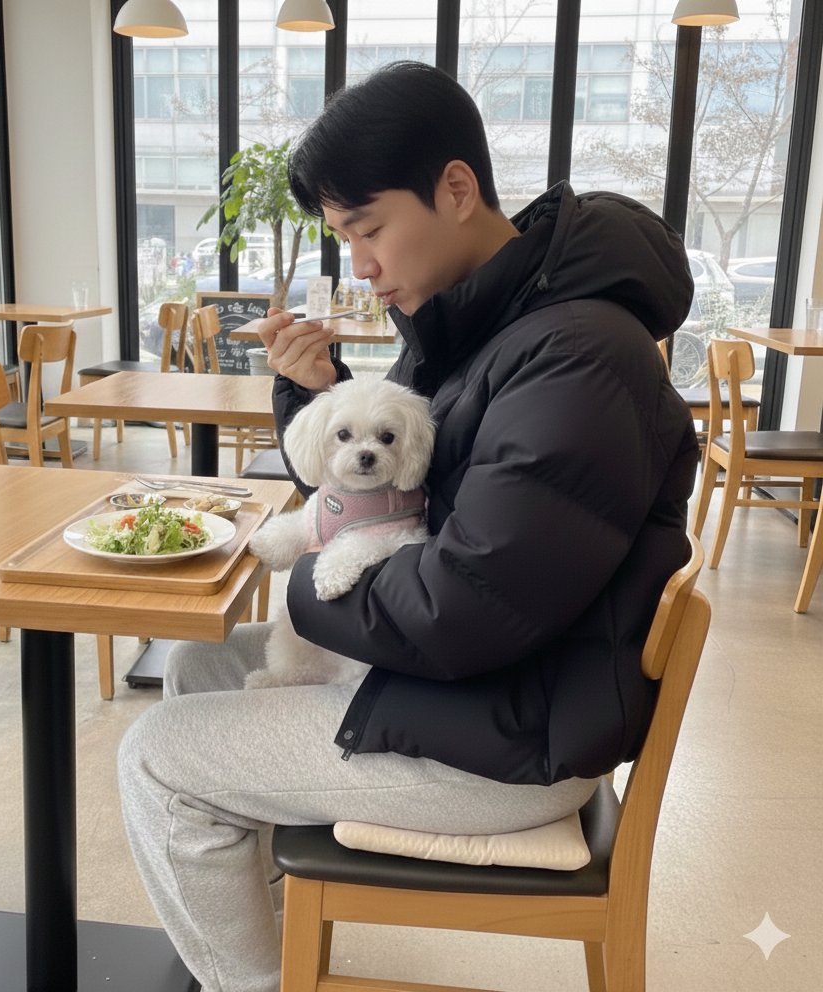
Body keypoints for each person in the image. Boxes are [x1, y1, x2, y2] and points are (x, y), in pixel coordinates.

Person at [118, 61, 699, 992]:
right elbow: (389, 489)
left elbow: (457, 610)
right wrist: (313, 395)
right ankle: (270, 933)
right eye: (345, 237)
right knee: (198, 663)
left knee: (154, 757)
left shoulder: (579, 358)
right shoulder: (486, 328)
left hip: (510, 742)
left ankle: (253, 983)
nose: (360, 263)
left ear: (456, 190)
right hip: (484, 691)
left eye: (368, 228)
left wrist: (302, 573)